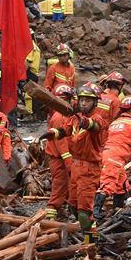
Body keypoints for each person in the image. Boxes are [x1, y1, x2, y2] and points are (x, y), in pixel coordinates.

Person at [40, 84, 109, 242]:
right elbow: (65, 130)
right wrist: (53, 133)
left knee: (84, 212)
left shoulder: (97, 118)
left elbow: (95, 127)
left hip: (89, 168)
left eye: (88, 101)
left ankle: (90, 243)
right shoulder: (75, 118)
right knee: (72, 205)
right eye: (82, 100)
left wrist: (85, 122)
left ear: (95, 102)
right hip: (76, 166)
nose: (84, 103)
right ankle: (89, 229)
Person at [44, 85, 75, 221]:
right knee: (59, 185)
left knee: (66, 185)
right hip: (59, 158)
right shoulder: (59, 117)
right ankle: (51, 212)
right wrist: (69, 163)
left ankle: (62, 210)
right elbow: (61, 144)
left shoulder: (65, 115)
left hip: (61, 157)